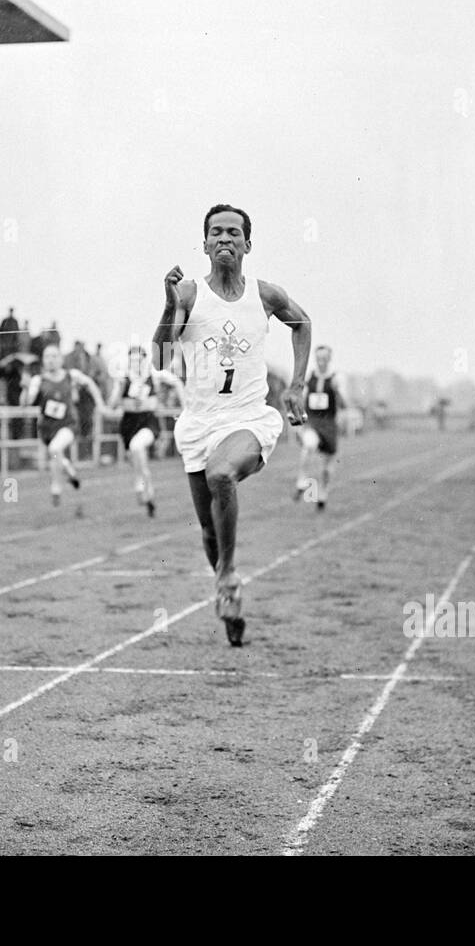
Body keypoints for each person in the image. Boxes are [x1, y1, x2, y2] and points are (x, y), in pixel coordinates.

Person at [154, 203, 311, 647]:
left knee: (221, 473)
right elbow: (161, 359)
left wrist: (297, 385)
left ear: (247, 243)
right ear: (204, 244)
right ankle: (229, 596)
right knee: (208, 530)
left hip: (248, 419)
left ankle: (226, 575)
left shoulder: (264, 295)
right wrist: (168, 306)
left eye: (233, 233)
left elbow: (302, 323)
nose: (224, 239)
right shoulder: (187, 295)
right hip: (199, 423)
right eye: (216, 233)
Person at [22, 343, 106, 506]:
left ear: (61, 359)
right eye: (47, 357)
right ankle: (69, 470)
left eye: (54, 356)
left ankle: (56, 487)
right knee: (56, 453)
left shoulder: (71, 375)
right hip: (47, 429)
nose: (51, 360)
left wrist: (100, 403)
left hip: (68, 425)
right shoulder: (38, 380)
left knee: (55, 449)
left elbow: (89, 383)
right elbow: (27, 403)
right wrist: (25, 389)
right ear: (43, 361)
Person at [108, 344, 184, 517]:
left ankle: (144, 484)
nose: (136, 363)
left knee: (137, 447)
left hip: (148, 421)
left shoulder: (155, 375)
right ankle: (146, 490)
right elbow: (112, 405)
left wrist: (186, 408)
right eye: (132, 359)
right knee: (136, 460)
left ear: (145, 359)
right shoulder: (123, 378)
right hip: (128, 423)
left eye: (139, 359)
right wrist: (119, 389)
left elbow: (177, 382)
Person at [293, 344, 345, 511]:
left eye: (324, 358)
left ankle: (322, 493)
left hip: (329, 425)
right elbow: (303, 399)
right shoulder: (311, 378)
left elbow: (344, 405)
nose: (321, 361)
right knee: (308, 445)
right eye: (318, 358)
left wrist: (337, 392)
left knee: (326, 468)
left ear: (329, 359)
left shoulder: (336, 378)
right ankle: (302, 480)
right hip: (313, 422)